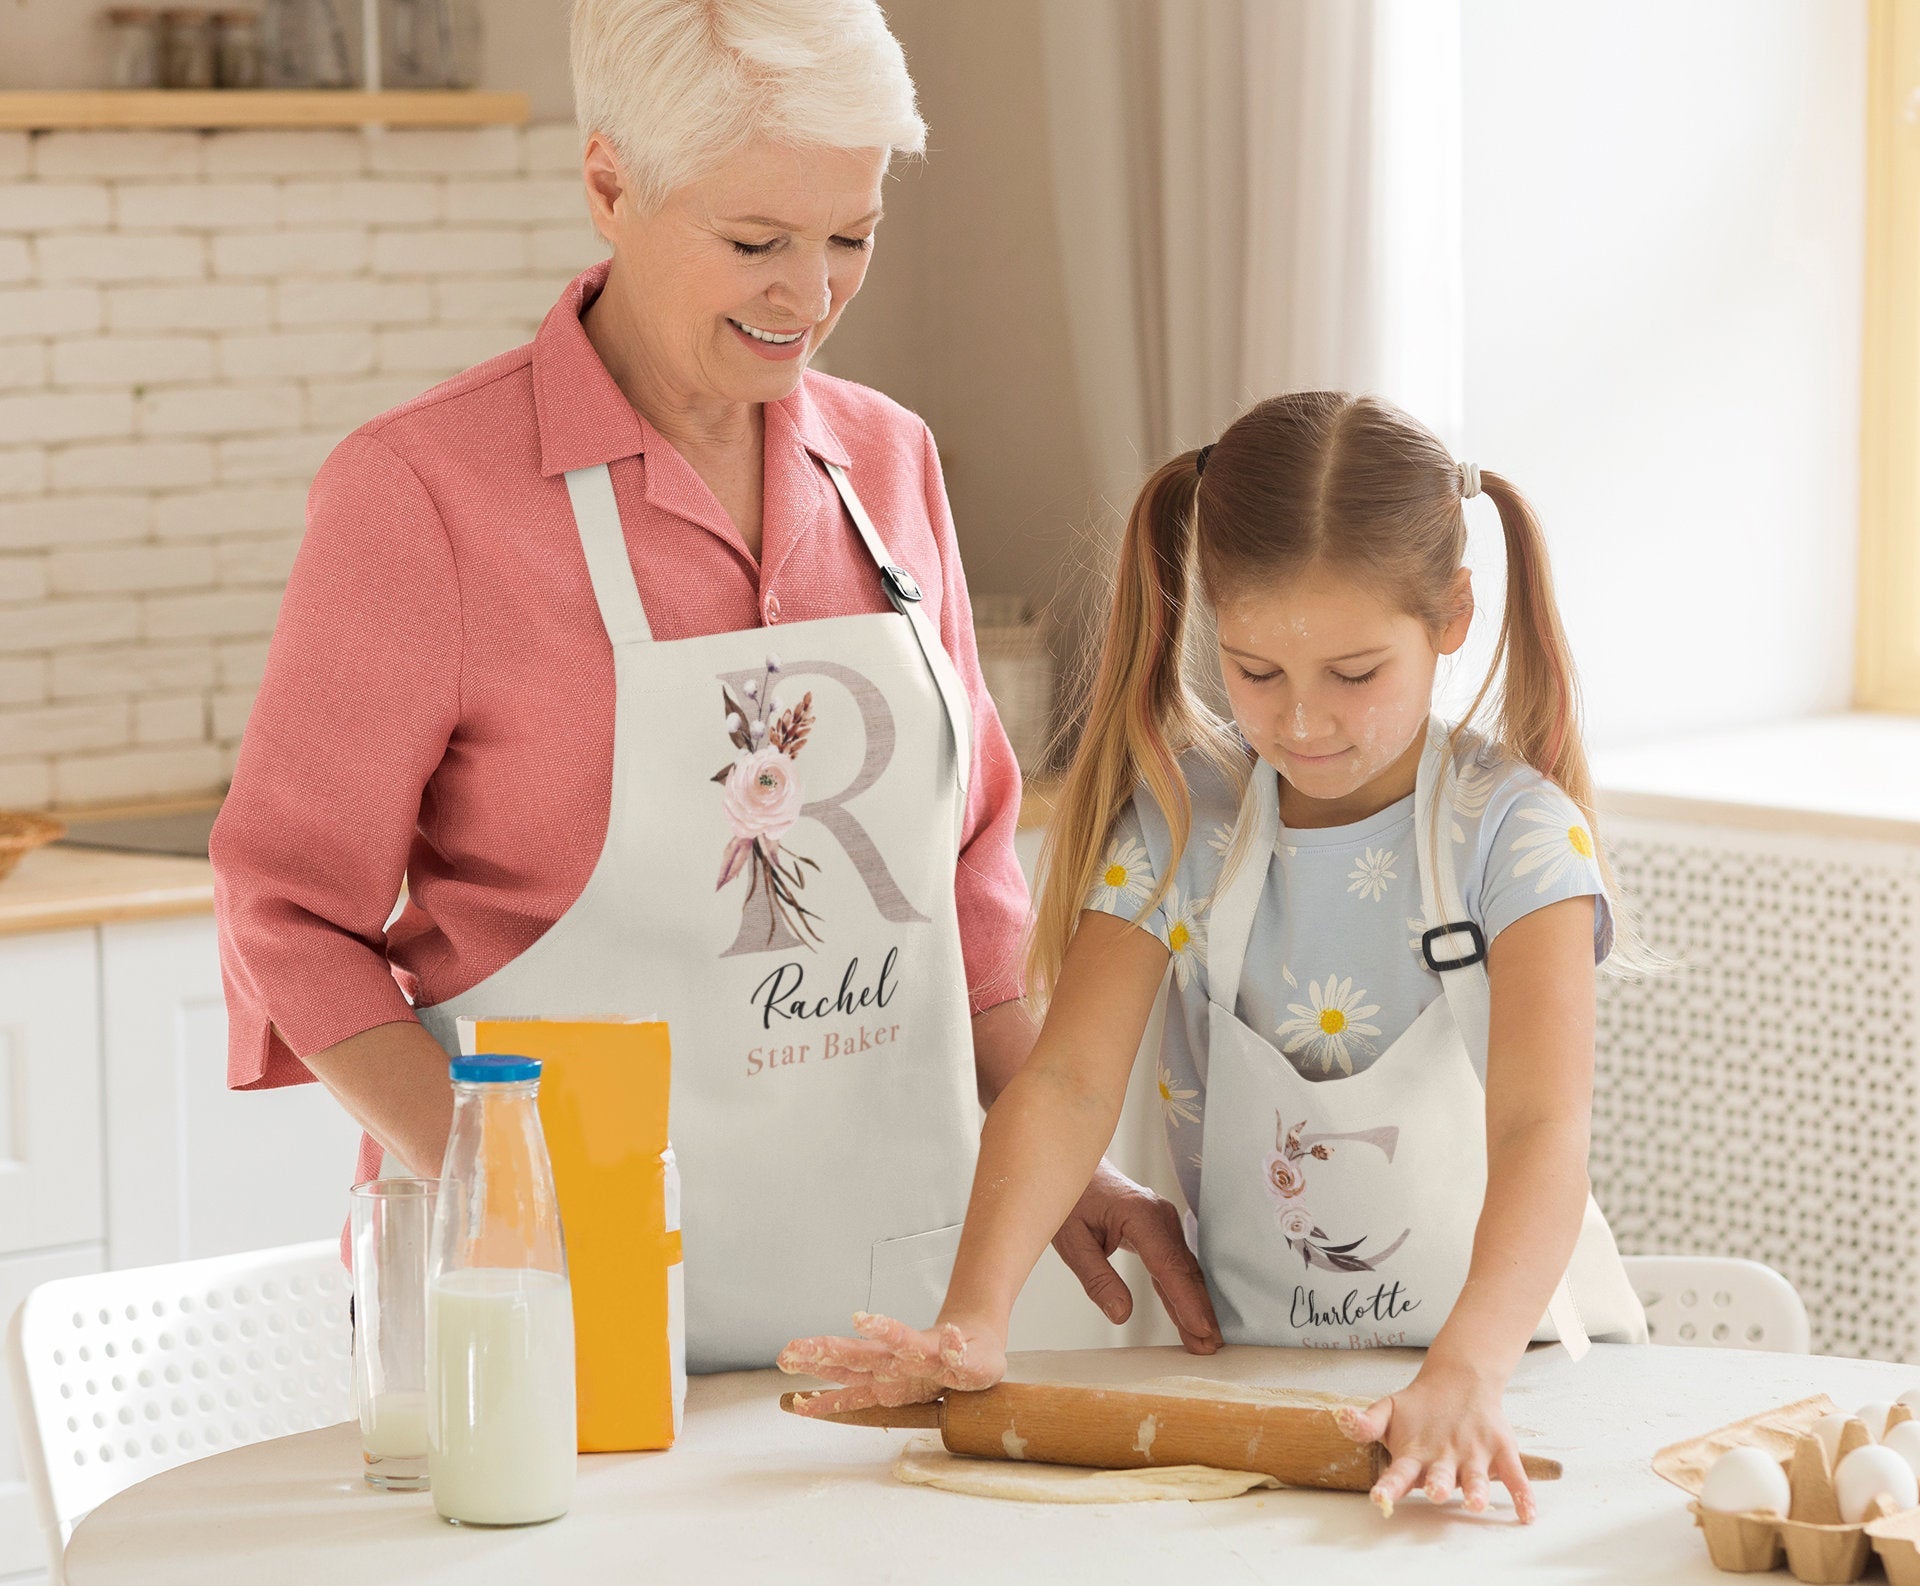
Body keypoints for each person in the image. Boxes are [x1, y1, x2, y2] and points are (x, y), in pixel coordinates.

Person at [211, 0, 1217, 1373]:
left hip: (886, 1304)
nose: (810, 296)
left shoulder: (888, 463)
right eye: (756, 242)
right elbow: (286, 908)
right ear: (611, 182)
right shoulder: (424, 494)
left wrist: (1054, 1167)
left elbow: (967, 880)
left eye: (851, 237)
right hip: (549, 1294)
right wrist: (492, 1174)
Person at [782, 392, 1649, 1517]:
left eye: (1354, 673)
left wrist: (1464, 1372)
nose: (1303, 723)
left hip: (1510, 1378)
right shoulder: (1188, 824)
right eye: (1254, 671)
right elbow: (1067, 1080)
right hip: (1264, 1387)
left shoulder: (1516, 835)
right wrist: (974, 1317)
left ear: (1452, 616)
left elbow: (1543, 1128)